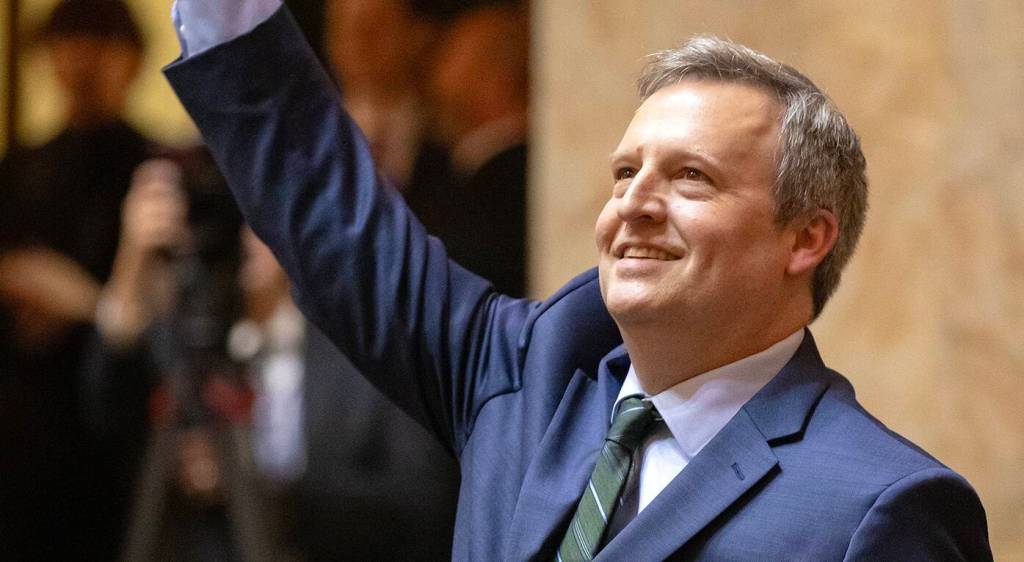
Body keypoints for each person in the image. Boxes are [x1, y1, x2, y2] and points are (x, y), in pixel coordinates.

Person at [165, 3, 992, 561]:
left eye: (691, 177)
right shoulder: (527, 378)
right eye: (625, 173)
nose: (634, 204)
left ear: (806, 238)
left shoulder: (878, 508)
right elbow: (336, 224)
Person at [0, 1, 153, 558]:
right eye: (70, 43)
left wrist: (87, 303)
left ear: (132, 60)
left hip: (119, 421)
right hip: (24, 420)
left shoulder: (154, 165)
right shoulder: (20, 167)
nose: (84, 59)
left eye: (101, 44)